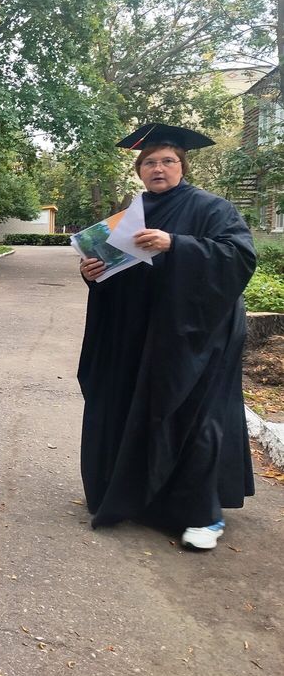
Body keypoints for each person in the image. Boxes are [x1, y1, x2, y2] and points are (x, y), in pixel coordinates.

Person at [76, 123, 256, 551]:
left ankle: (204, 516)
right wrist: (91, 273)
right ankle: (138, 496)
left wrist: (176, 243)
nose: (158, 168)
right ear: (139, 170)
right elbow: (117, 273)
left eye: (168, 161)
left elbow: (239, 255)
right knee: (135, 409)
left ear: (182, 166)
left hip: (196, 337)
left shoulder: (212, 208)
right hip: (140, 335)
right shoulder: (130, 216)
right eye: (150, 162)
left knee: (193, 417)